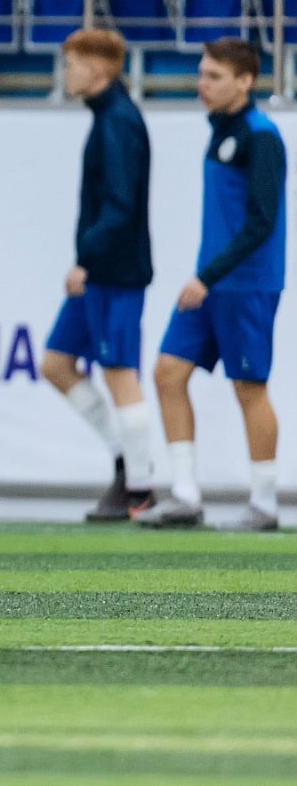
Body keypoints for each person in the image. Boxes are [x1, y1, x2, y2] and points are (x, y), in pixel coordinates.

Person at [137, 38, 286, 532]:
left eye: (214, 76)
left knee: (249, 387)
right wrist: (206, 276)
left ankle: (264, 503)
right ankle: (184, 495)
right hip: (211, 281)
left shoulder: (261, 137)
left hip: (245, 284)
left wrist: (207, 275)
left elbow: (261, 222)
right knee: (167, 372)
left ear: (245, 81)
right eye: (201, 74)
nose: (202, 84)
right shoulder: (220, 130)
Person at [39, 30, 156, 522]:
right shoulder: (108, 116)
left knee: (120, 373)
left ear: (100, 69)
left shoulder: (119, 121)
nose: (66, 73)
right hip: (102, 268)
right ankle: (125, 459)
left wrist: (86, 258)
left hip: (114, 271)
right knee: (57, 364)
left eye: (72, 64)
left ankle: (140, 488)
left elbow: (121, 205)